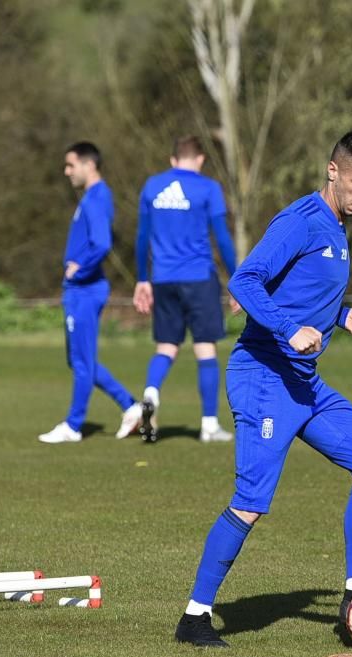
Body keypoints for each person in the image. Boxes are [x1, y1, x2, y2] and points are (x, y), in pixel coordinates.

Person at [174, 130, 352, 647]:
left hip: (303, 382)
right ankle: (195, 617)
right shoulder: (301, 222)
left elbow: (300, 294)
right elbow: (246, 281)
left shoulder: (340, 227)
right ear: (333, 171)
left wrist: (342, 314)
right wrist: (288, 329)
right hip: (263, 378)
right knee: (251, 502)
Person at [133, 136, 238, 444]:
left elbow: (142, 237)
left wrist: (142, 278)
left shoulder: (152, 187)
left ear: (173, 159)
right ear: (201, 160)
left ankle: (151, 394)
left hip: (163, 279)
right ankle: (208, 425)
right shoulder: (208, 188)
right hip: (198, 278)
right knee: (204, 347)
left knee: (166, 346)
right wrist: (236, 279)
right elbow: (222, 238)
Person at [38, 142, 142, 444]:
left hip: (85, 290)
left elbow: (102, 243)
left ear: (88, 165)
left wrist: (78, 270)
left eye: (71, 165)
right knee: (79, 360)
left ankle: (73, 425)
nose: (66, 171)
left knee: (82, 362)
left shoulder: (96, 198)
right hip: (79, 291)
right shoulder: (92, 198)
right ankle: (131, 406)